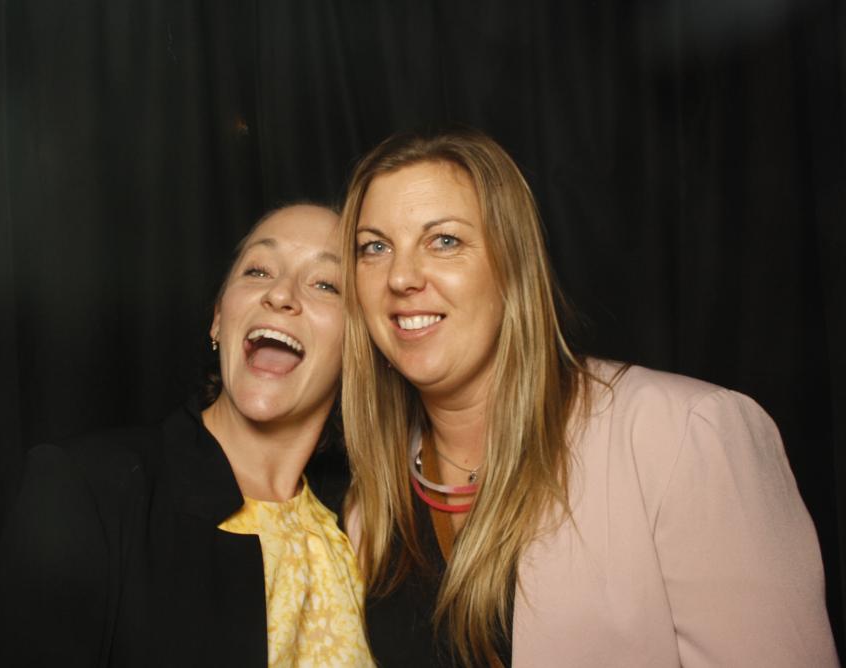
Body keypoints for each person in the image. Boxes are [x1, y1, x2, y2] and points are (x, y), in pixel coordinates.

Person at [338, 127, 838, 667]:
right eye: (375, 247)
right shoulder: (372, 506)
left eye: (444, 241)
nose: (402, 277)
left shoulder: (685, 436)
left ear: (513, 264)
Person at [0, 204, 375, 667]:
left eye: (325, 284)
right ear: (219, 319)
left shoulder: (366, 530)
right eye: (259, 271)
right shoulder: (86, 488)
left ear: (359, 345)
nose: (280, 294)